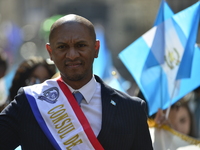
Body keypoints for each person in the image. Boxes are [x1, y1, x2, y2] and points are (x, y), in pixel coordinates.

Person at [0, 14, 153, 150]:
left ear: (96, 48)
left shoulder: (131, 109)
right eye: (62, 47)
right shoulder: (29, 101)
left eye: (80, 45)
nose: (72, 55)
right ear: (50, 53)